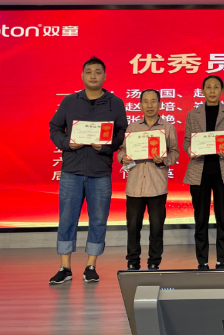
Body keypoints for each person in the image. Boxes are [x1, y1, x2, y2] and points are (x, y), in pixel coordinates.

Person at [48, 56, 128, 284]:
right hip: (72, 170)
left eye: (98, 72)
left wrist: (107, 146)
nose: (93, 75)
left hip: (100, 171)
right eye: (89, 71)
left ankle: (91, 265)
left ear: (105, 76)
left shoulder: (115, 103)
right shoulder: (69, 101)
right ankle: (65, 267)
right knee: (66, 218)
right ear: (82, 75)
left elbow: (122, 133)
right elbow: (55, 127)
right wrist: (67, 143)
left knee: (98, 219)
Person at [183, 75, 224, 270]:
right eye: (208, 87)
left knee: (223, 218)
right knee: (200, 218)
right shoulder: (193, 114)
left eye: (216, 87)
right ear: (202, 91)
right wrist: (190, 150)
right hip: (199, 171)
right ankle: (202, 260)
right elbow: (187, 140)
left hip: (223, 170)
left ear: (222, 91)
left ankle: (221, 259)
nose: (212, 90)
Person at [117, 89, 180, 271]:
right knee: (133, 226)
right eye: (146, 101)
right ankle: (132, 261)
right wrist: (123, 158)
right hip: (135, 185)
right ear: (140, 104)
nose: (150, 105)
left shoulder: (168, 127)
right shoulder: (132, 128)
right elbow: (122, 150)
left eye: (153, 101)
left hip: (157, 185)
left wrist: (164, 160)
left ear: (160, 104)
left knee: (156, 227)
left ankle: (154, 261)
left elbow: (175, 152)